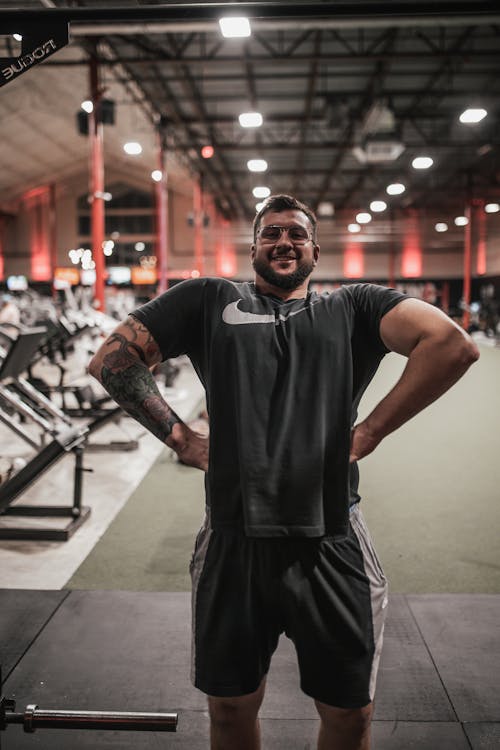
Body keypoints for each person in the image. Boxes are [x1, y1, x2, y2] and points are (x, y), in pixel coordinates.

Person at [88, 194, 479, 750]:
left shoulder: (354, 306)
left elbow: (451, 345)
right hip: (231, 538)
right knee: (228, 711)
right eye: (271, 233)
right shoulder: (208, 299)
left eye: (296, 234)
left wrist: (367, 433)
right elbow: (112, 358)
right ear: (253, 247)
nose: (283, 242)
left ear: (316, 250)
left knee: (350, 716)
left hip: (332, 539)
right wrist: (178, 437)